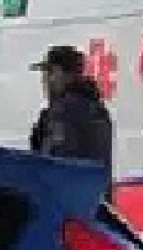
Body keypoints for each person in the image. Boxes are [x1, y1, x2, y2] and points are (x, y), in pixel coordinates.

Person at [29, 45, 114, 184]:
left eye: (50, 72)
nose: (45, 80)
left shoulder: (63, 111)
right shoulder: (97, 108)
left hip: (66, 199)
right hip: (94, 197)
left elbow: (54, 161)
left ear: (65, 75)